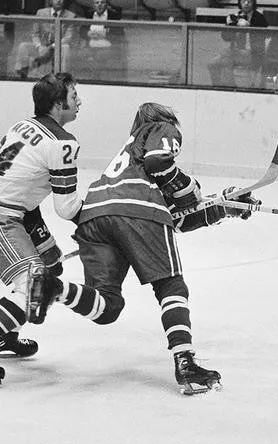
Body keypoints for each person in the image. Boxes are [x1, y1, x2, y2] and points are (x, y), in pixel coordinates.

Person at [30, 102, 261, 395]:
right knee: (171, 285)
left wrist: (223, 206)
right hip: (136, 213)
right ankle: (186, 362)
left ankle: (55, 288)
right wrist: (189, 187)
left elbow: (177, 217)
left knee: (107, 307)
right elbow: (160, 164)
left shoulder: (128, 157)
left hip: (94, 216)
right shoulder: (157, 129)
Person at [0, 73, 110, 361]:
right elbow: (67, 207)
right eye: (74, 97)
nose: (79, 102)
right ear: (58, 103)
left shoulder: (22, 125)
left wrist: (47, 247)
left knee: (44, 271)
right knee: (32, 287)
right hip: (5, 217)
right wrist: (105, 219)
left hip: (17, 214)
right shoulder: (62, 143)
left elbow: (17, 191)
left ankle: (5, 336)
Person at [207, 0, 268, 89]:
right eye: (244, 1)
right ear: (240, 3)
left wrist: (249, 27)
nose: (246, 3)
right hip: (235, 52)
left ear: (253, 3)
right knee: (212, 64)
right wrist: (229, 26)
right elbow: (225, 37)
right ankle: (218, 87)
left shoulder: (259, 17)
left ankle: (230, 89)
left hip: (253, 53)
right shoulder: (236, 16)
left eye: (249, 1)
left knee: (226, 57)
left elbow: (263, 37)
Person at [13, 0, 77, 79]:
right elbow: (35, 33)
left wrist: (53, 46)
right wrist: (39, 46)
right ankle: (22, 72)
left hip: (58, 48)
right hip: (42, 47)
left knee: (66, 47)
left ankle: (63, 76)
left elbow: (68, 37)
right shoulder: (40, 13)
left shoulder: (71, 16)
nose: (59, 1)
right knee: (24, 46)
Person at [76, 0, 126, 79]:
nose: (99, 5)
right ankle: (94, 78)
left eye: (102, 2)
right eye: (97, 3)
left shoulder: (114, 15)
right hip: (90, 45)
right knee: (81, 53)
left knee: (99, 55)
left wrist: (106, 34)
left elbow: (120, 33)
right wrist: (87, 33)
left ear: (106, 4)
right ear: (93, 5)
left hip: (108, 46)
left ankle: (96, 79)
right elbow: (82, 30)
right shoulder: (89, 14)